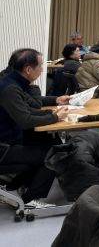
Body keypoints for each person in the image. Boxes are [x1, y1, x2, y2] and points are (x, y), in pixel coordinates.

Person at [0, 49, 71, 208]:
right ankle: (30, 200)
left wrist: (52, 112)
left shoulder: (13, 82)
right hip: (4, 148)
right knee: (54, 154)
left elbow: (29, 108)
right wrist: (54, 117)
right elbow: (25, 120)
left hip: (9, 140)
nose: (42, 69)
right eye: (40, 65)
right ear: (28, 69)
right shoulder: (10, 88)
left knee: (50, 141)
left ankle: (14, 186)